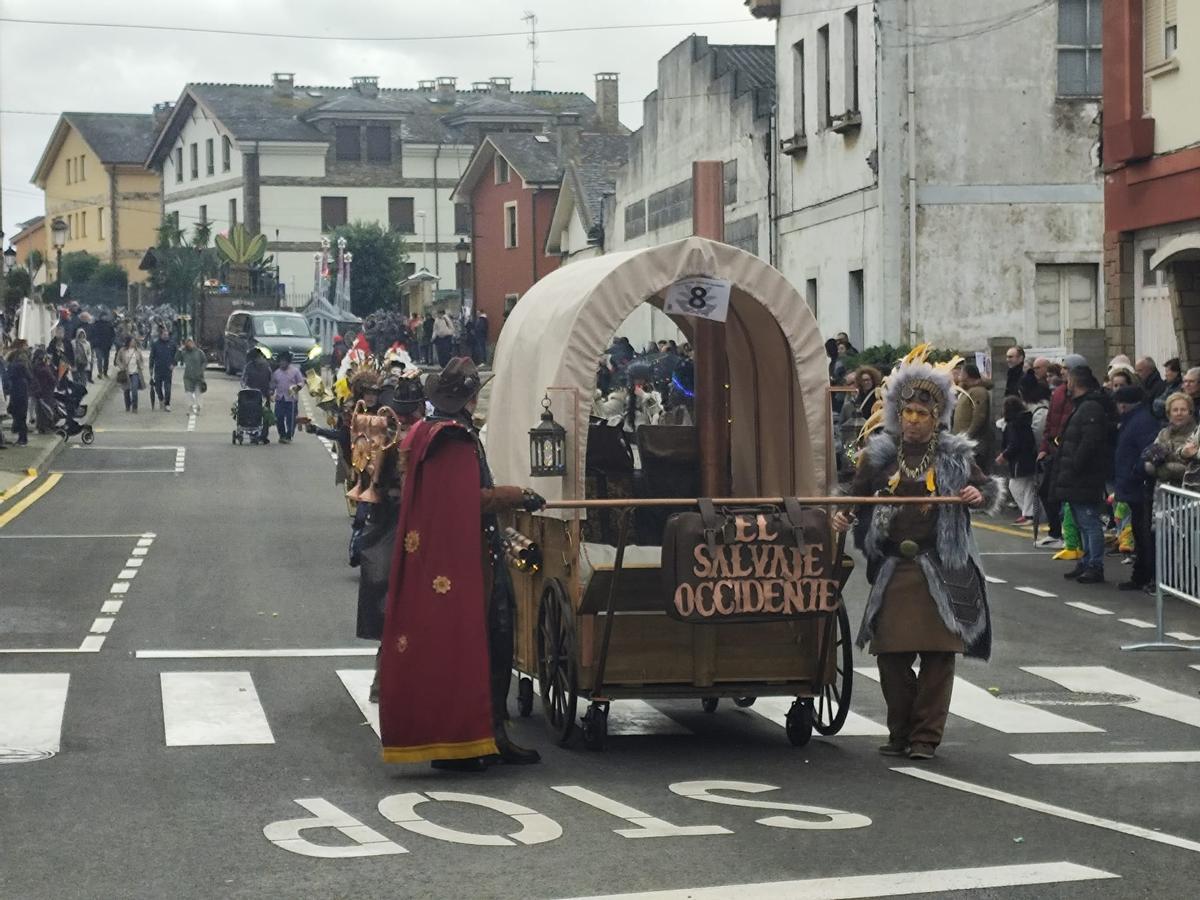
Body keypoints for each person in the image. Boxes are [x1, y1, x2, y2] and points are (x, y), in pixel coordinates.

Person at [379, 357, 546, 770]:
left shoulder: (428, 433)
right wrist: (518, 495)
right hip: (468, 558)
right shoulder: (451, 439)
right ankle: (468, 740)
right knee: (482, 643)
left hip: (459, 554)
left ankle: (489, 734)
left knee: (489, 644)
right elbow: (469, 500)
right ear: (470, 398)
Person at [832, 355, 995, 761]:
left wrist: (978, 495)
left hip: (941, 567)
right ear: (897, 414)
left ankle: (925, 737)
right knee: (890, 656)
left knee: (939, 658)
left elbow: (987, 490)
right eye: (908, 411)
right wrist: (842, 512)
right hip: (893, 568)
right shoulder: (879, 455)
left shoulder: (955, 455)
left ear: (936, 415)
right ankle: (900, 731)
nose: (914, 420)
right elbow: (854, 495)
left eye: (923, 413)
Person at [1053, 366, 1118, 584]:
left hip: (1084, 477)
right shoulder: (1082, 406)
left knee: (1089, 522)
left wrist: (1075, 465)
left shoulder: (1090, 408)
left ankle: (1094, 565)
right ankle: (1085, 560)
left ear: (1074, 381)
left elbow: (1090, 442)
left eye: (1068, 379)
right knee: (1081, 522)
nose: (1066, 384)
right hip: (1077, 477)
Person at [1034, 353, 1086, 550]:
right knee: (1047, 491)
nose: (1062, 371)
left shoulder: (1080, 394)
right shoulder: (1058, 393)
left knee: (1063, 496)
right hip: (1055, 450)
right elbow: (1051, 423)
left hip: (1068, 450)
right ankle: (1056, 532)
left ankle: (1069, 536)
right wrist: (1044, 448)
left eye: (1066, 368)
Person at [1112, 386, 1159, 592]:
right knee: (1140, 534)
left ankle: (1145, 575)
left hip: (1138, 486)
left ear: (1123, 404)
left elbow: (1146, 452)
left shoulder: (1140, 422)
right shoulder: (1135, 420)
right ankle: (1141, 574)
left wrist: (1135, 472)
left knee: (1144, 533)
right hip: (1133, 485)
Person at [997, 395, 1038, 524]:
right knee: (1028, 487)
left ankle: (1028, 513)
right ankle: (1028, 513)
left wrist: (1004, 455)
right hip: (1028, 458)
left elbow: (1014, 444)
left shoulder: (1013, 425)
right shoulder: (1024, 421)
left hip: (1019, 461)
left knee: (1016, 486)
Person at [958, 364, 993, 471]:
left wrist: (968, 435)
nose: (959, 375)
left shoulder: (978, 391)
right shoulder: (967, 391)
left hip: (974, 444)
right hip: (964, 442)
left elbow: (979, 416)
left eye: (961, 372)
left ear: (967, 375)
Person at [270, 353, 304, 444]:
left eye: (284, 362)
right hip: (280, 398)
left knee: (291, 418)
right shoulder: (276, 373)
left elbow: (301, 382)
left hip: (291, 399)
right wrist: (271, 392)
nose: (282, 364)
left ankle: (289, 435)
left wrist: (297, 387)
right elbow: (273, 385)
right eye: (280, 362)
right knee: (279, 417)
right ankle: (282, 435)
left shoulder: (295, 371)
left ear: (288, 362)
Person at [241, 347, 273, 443]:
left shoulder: (267, 366)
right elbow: (243, 379)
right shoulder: (249, 366)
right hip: (251, 394)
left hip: (264, 393)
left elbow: (271, 379)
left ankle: (263, 435)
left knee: (265, 415)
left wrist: (271, 391)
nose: (257, 360)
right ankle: (253, 434)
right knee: (252, 413)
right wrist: (245, 387)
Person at [4, 343, 31, 445]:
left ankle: (22, 438)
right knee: (22, 417)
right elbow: (30, 377)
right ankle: (23, 438)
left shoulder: (13, 367)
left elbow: (8, 376)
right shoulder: (24, 367)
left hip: (16, 394)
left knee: (18, 416)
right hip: (23, 393)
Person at [113, 336, 146, 413]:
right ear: (128, 342)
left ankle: (135, 407)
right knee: (126, 390)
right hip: (126, 373)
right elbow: (117, 360)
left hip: (135, 372)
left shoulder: (137, 350)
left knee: (134, 390)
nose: (133, 343)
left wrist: (141, 366)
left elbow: (141, 360)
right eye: (132, 341)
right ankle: (127, 405)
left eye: (134, 342)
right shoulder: (122, 350)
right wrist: (121, 366)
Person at [176, 338, 207, 414]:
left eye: (191, 343)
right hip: (188, 376)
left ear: (193, 343)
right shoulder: (185, 353)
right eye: (188, 343)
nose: (189, 345)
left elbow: (204, 361)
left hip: (198, 376)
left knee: (197, 393)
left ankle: (198, 407)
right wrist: (180, 350)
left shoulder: (199, 352)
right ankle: (190, 407)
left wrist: (201, 370)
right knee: (188, 393)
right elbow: (177, 358)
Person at [91, 313, 115, 379]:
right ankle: (100, 373)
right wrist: (94, 342)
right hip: (98, 345)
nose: (104, 317)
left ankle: (105, 372)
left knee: (106, 360)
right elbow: (93, 334)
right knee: (99, 359)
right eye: (103, 316)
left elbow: (113, 334)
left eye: (105, 316)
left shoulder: (109, 325)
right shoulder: (96, 324)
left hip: (107, 345)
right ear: (100, 317)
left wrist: (111, 342)